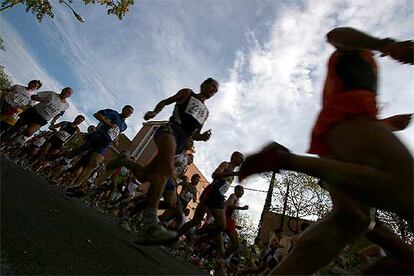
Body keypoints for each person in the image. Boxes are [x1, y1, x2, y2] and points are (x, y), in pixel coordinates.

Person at [238, 27, 413, 274]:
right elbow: (335, 35)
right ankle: (285, 160)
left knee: (351, 220)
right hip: (344, 123)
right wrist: (384, 44)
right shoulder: (359, 49)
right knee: (410, 190)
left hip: (340, 135)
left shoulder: (365, 64)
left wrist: (390, 124)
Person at [113, 78, 218, 245]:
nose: (213, 90)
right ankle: (150, 223)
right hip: (170, 130)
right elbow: (165, 102)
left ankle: (124, 160)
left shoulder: (205, 112)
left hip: (181, 141)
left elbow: (194, 134)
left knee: (142, 174)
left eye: (216, 90)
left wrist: (202, 137)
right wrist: (154, 112)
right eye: (212, 86)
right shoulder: (188, 93)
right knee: (166, 170)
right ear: (203, 85)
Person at [178, 151, 244, 262]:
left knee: (204, 222)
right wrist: (231, 174)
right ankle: (178, 237)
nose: (242, 161)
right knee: (198, 220)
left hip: (218, 196)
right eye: (240, 158)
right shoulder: (226, 165)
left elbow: (224, 186)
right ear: (234, 157)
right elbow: (214, 175)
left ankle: (190, 234)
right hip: (212, 191)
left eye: (242, 159)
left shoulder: (232, 175)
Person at [65, 105, 134, 197]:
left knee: (94, 163)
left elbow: (116, 133)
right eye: (128, 110)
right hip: (96, 138)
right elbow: (97, 114)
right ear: (123, 109)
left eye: (131, 112)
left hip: (104, 144)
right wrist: (108, 123)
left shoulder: (124, 126)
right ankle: (62, 155)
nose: (129, 113)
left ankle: (75, 186)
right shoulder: (113, 113)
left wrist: (116, 140)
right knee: (72, 155)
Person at [1, 87, 72, 140]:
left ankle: (19, 132)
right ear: (62, 90)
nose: (66, 93)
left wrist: (54, 120)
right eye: (66, 90)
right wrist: (42, 100)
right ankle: (3, 137)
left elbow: (59, 114)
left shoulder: (66, 105)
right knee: (17, 126)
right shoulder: (52, 94)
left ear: (69, 95)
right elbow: (33, 96)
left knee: (29, 133)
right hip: (34, 112)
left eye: (69, 92)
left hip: (42, 119)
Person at [224, 185, 249, 260]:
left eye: (243, 191)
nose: (243, 193)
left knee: (236, 244)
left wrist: (236, 226)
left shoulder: (237, 200)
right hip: (228, 220)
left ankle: (222, 257)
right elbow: (229, 205)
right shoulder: (233, 196)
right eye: (241, 191)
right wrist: (241, 208)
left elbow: (234, 213)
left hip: (232, 222)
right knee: (235, 244)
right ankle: (222, 258)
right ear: (236, 190)